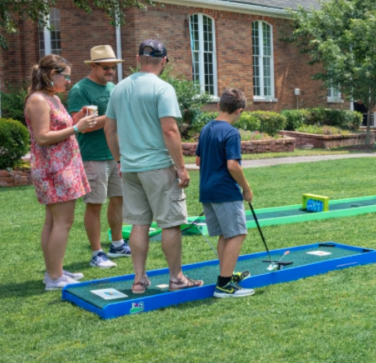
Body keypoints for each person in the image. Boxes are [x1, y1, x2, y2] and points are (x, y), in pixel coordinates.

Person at [104, 39, 203, 294]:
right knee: (170, 224)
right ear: (164, 62)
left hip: (131, 168)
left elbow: (109, 128)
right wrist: (181, 167)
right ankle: (177, 278)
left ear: (137, 59)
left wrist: (119, 160)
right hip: (158, 166)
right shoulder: (163, 88)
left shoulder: (118, 89)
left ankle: (138, 280)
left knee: (139, 223)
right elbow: (170, 130)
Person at [25, 55, 98, 289]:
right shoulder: (38, 100)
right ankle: (54, 278)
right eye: (65, 76)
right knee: (62, 222)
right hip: (53, 169)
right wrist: (77, 127)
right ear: (50, 75)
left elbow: (61, 127)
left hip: (64, 166)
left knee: (54, 221)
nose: (68, 81)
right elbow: (43, 137)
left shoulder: (52, 98)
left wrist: (78, 118)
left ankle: (54, 271)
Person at [67, 45, 128, 269]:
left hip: (115, 155)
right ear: (93, 66)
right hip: (92, 156)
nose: (111, 71)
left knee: (119, 199)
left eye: (113, 67)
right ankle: (96, 253)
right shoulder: (80, 90)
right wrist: (112, 116)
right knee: (94, 204)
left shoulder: (113, 87)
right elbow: (79, 126)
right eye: (106, 67)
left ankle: (118, 244)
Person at [195, 88, 255, 298]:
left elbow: (198, 161)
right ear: (239, 110)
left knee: (225, 234)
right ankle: (223, 285)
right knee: (238, 233)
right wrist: (246, 188)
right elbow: (233, 166)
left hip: (207, 190)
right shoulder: (231, 132)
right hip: (225, 191)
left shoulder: (206, 129)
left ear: (219, 105)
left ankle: (226, 276)